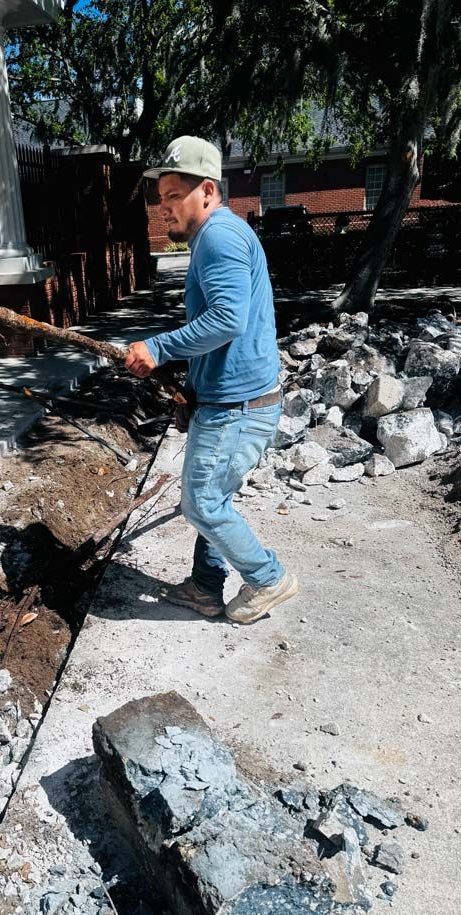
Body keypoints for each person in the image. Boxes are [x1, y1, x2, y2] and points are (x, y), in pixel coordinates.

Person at [125, 136, 299, 624]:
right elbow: (224, 332)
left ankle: (268, 578)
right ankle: (205, 588)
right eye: (161, 201)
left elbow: (227, 319)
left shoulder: (219, 237)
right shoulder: (216, 236)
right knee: (213, 497)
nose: (165, 210)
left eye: (173, 197)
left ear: (207, 189)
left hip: (241, 408)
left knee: (201, 503)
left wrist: (157, 349)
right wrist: (194, 388)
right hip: (230, 399)